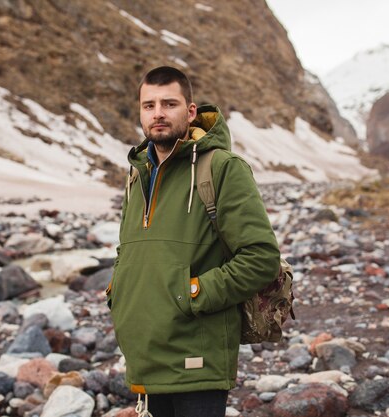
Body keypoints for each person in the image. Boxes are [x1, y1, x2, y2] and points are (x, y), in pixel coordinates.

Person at [108, 66, 280, 417]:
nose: (157, 113)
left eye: (169, 104)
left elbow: (262, 257)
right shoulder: (137, 174)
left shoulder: (222, 168)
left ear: (190, 111)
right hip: (146, 354)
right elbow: (128, 250)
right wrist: (119, 290)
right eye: (148, 105)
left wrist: (194, 292)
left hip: (196, 358)